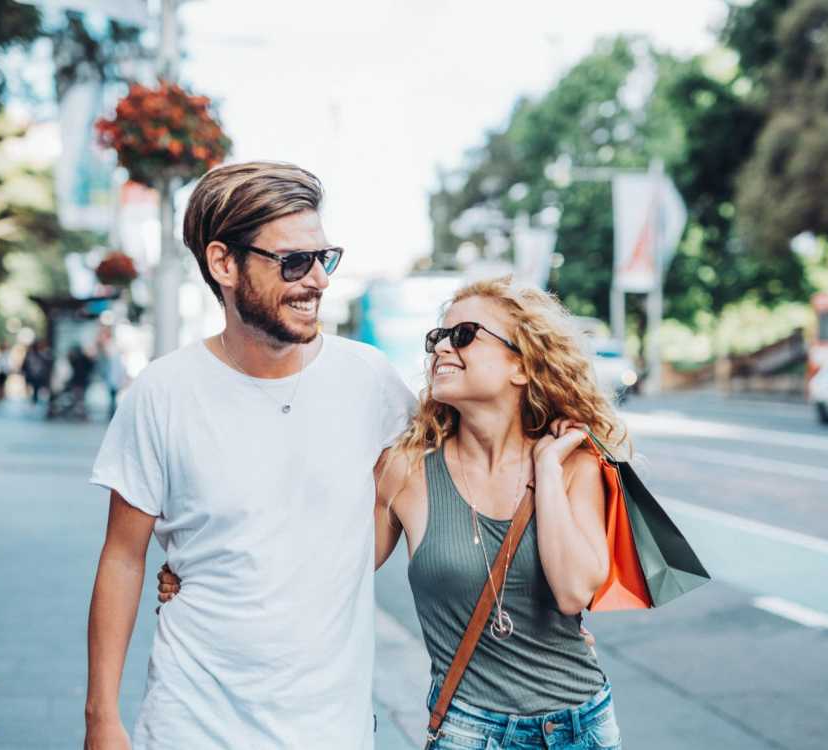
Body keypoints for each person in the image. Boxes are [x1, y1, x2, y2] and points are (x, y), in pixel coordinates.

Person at [160, 277, 626, 749]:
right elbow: (326, 568)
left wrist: (545, 470)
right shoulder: (407, 472)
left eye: (463, 335)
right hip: (469, 732)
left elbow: (573, 593)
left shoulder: (572, 463)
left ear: (521, 366)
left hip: (581, 727)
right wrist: (203, 567)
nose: (442, 347)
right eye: (437, 337)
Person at [83, 161, 416, 749]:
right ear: (223, 263)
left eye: (323, 258)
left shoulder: (371, 381)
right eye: (293, 262)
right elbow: (122, 558)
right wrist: (102, 719)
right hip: (192, 721)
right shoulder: (161, 393)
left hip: (329, 729)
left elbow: (432, 500)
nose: (317, 280)